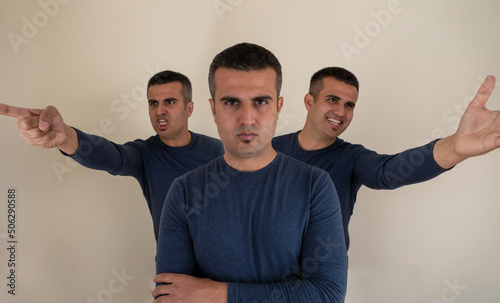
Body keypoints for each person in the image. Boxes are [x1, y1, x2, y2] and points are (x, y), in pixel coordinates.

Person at [153, 43, 348, 302]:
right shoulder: (184, 191)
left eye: (261, 102)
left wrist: (218, 293)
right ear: (213, 109)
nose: (247, 119)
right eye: (232, 102)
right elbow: (171, 296)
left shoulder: (315, 186)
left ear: (278, 107)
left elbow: (328, 295)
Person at [272, 66, 500, 249]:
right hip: (264, 271)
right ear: (309, 102)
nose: (341, 112)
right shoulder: (270, 148)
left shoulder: (352, 157)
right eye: (332, 99)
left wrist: (455, 148)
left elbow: (388, 171)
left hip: (320, 279)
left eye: (349, 105)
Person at [0, 70, 224, 241]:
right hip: (174, 277)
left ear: (189, 108)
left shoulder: (218, 151)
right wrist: (66, 137)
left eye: (170, 102)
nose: (159, 110)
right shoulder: (144, 154)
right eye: (153, 103)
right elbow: (111, 155)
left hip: (222, 273)